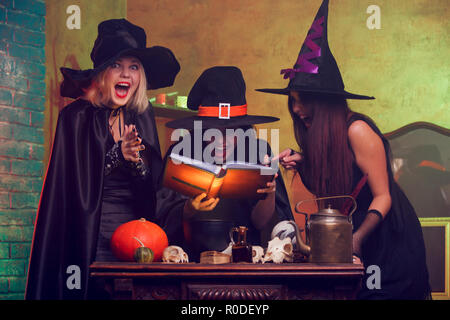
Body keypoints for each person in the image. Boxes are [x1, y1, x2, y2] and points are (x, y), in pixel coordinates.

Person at [256, 0, 430, 299]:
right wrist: (304, 161)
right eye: (293, 101)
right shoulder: (318, 137)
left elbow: (383, 195)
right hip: (345, 236)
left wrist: (357, 238)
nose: (296, 109)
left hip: (385, 240)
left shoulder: (357, 130)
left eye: (304, 100)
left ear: (325, 102)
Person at [25, 19, 180, 299]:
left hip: (135, 236)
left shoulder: (141, 117)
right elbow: (74, 186)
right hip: (90, 233)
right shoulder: (76, 117)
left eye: (133, 66)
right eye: (116, 65)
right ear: (101, 73)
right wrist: (116, 155)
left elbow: (152, 189)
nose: (126, 74)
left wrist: (135, 163)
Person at [156, 66, 294, 261]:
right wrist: (189, 208)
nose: (222, 141)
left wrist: (269, 195)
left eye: (231, 132)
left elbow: (264, 224)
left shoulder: (258, 153)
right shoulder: (181, 153)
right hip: (189, 260)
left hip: (246, 259)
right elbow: (160, 218)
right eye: (213, 131)